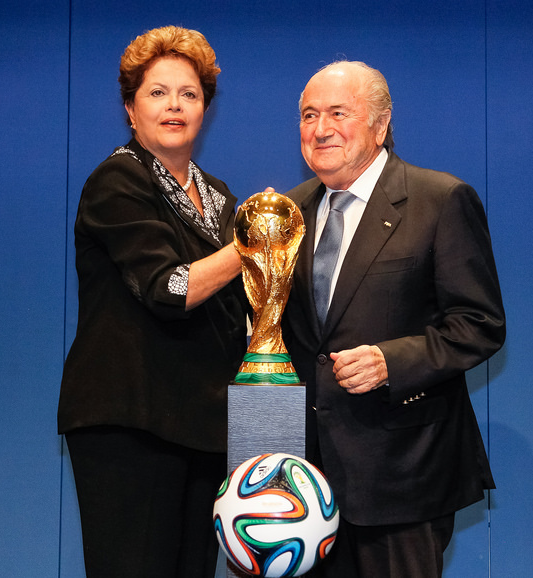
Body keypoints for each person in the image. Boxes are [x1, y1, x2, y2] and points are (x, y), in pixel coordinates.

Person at [282, 61, 506, 577]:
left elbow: (480, 323)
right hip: (303, 483)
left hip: (404, 473)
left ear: (381, 125)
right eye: (308, 115)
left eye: (339, 112)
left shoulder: (439, 200)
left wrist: (390, 360)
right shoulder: (288, 214)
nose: (320, 129)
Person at [57, 26, 248, 577]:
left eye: (189, 94)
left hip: (205, 425)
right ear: (130, 108)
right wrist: (255, 245)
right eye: (157, 93)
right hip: (130, 423)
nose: (174, 106)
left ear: (205, 110)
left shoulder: (219, 198)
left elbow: (240, 314)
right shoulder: (118, 179)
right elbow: (170, 289)